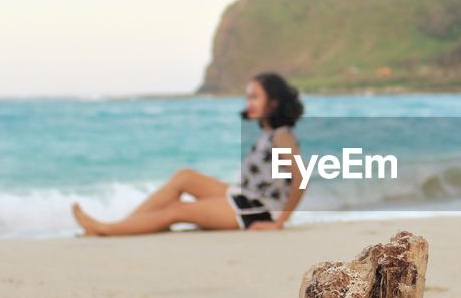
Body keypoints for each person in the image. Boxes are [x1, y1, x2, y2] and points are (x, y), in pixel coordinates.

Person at [71, 72, 306, 236]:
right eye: (248, 97)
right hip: (245, 196)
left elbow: (302, 178)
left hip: (258, 209)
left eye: (255, 97)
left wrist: (279, 222)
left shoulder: (281, 136)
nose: (249, 103)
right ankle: (126, 225)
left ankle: (106, 230)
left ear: (273, 103)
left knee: (177, 210)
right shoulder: (270, 134)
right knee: (185, 177)